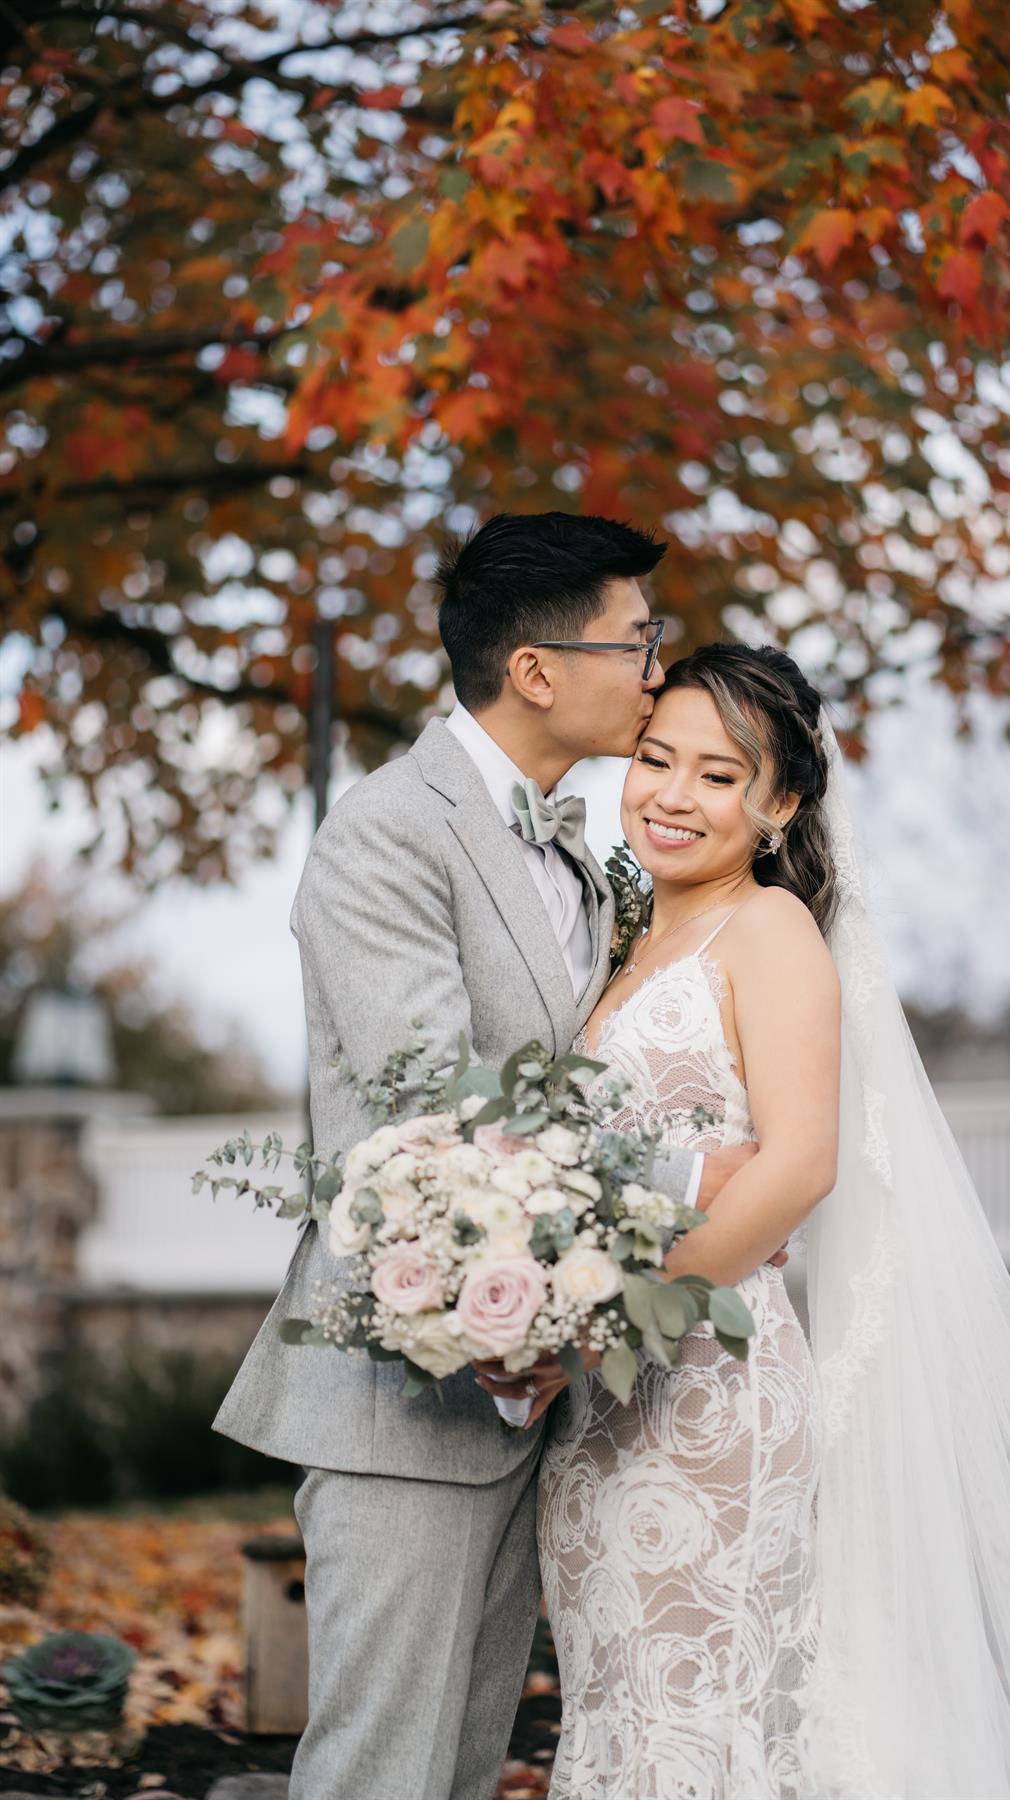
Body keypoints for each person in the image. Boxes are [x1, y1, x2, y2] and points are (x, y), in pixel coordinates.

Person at [526, 644, 1010, 1798]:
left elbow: (800, 1166)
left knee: (706, 1727)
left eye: (718, 775)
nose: (673, 795)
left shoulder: (770, 931)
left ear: (782, 803)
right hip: (596, 1411)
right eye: (654, 759)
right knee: (622, 1711)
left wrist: (621, 1323)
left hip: (706, 1393)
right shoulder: (620, 938)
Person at [214, 514, 777, 1800]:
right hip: (404, 1394)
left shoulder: (578, 848)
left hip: (535, 1390)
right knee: (380, 1771)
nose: (656, 673)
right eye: (637, 644)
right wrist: (686, 1181)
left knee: (463, 1769)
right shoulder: (388, 832)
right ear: (535, 670)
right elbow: (437, 1106)